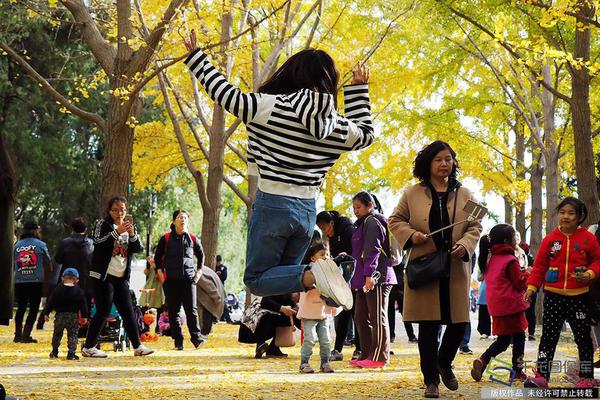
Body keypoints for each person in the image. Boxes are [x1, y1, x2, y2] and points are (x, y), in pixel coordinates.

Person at [183, 30, 374, 310]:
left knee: (258, 279)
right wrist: (357, 90)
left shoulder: (270, 106)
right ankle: (318, 274)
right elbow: (367, 134)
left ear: (293, 74)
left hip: (272, 203)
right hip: (308, 210)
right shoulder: (339, 127)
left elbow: (226, 95)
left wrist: (196, 58)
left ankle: (315, 274)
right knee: (284, 275)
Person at [388, 140, 483, 398]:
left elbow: (476, 225)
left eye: (448, 159)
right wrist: (410, 235)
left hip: (454, 267)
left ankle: (444, 362)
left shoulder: (465, 194)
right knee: (428, 326)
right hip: (425, 267)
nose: (444, 164)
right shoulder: (412, 193)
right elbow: (394, 220)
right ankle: (431, 380)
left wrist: (465, 244)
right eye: (439, 159)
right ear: (428, 163)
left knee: (458, 321)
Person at [524, 197, 600, 389]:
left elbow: (598, 261)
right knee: (548, 338)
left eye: (571, 213)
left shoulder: (588, 238)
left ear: (580, 216)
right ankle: (541, 376)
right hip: (553, 296)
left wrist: (590, 273)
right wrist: (531, 288)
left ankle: (586, 377)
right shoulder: (550, 240)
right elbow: (539, 267)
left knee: (583, 339)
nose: (566, 217)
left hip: (580, 297)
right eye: (562, 212)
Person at [82, 196, 153, 358]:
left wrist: (132, 233)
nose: (119, 213)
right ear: (109, 211)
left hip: (120, 277)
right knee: (103, 309)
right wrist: (117, 232)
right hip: (103, 275)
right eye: (115, 210)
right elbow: (98, 243)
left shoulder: (129, 226)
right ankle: (89, 347)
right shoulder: (103, 224)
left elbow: (138, 248)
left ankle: (138, 346)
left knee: (128, 310)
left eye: (122, 209)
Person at [470, 224, 529, 382]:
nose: (516, 241)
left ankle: (483, 361)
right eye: (513, 238)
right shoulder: (510, 260)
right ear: (506, 240)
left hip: (497, 307)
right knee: (519, 338)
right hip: (512, 306)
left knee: (503, 341)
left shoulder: (491, 259)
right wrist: (528, 275)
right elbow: (518, 283)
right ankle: (517, 370)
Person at [351, 192, 397, 369]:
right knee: (360, 315)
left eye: (359, 207)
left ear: (370, 204)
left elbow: (373, 250)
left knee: (377, 316)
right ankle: (367, 353)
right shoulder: (363, 223)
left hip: (377, 276)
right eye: (354, 208)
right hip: (364, 278)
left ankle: (379, 357)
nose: (356, 211)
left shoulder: (373, 221)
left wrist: (369, 275)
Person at [154, 210, 205, 350]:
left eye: (185, 218)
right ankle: (178, 340)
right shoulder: (166, 238)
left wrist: (199, 272)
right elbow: (157, 258)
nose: (182, 220)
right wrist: (161, 275)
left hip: (189, 280)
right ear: (174, 221)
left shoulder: (193, 238)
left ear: (188, 221)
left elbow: (201, 255)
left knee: (191, 310)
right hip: (171, 280)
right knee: (173, 312)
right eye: (179, 217)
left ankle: (197, 338)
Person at [316, 210, 360, 360]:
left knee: (355, 313)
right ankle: (338, 349)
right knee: (345, 312)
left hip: (354, 276)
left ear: (332, 223)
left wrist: (345, 257)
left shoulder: (348, 230)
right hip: (342, 279)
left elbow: (356, 253)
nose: (324, 231)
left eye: (324, 227)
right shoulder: (332, 236)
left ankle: (359, 349)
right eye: (320, 228)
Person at [298, 241, 338, 373]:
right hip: (309, 311)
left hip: (323, 312)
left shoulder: (330, 271)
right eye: (322, 254)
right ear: (312, 258)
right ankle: (304, 363)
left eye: (327, 254)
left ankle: (325, 362)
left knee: (326, 339)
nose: (326, 257)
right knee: (310, 338)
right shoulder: (307, 271)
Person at [13, 221, 51, 343]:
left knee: (21, 307)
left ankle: (17, 335)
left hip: (19, 281)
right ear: (35, 230)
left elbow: (13, 263)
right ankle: (26, 335)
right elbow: (48, 263)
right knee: (34, 308)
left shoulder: (16, 245)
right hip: (36, 281)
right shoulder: (41, 245)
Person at [44, 268, 88, 360]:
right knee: (73, 335)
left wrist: (46, 313)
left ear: (62, 278)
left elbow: (51, 302)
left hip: (60, 316)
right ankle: (71, 353)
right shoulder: (79, 291)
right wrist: (84, 316)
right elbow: (83, 305)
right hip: (73, 316)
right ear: (76, 280)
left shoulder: (57, 290)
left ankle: (54, 351)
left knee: (57, 334)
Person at [239, 293, 301, 359]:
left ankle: (273, 349)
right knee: (267, 316)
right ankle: (260, 344)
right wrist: (282, 308)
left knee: (288, 317)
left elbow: (296, 320)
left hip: (263, 327)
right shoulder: (280, 290)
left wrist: (308, 331)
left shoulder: (291, 302)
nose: (299, 300)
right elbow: (264, 302)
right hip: (250, 328)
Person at [54, 218, 94, 306]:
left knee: (67, 307)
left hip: (68, 279)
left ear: (72, 229)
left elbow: (58, 259)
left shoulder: (65, 243)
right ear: (86, 229)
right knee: (85, 309)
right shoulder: (91, 244)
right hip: (86, 282)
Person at [476, 236, 492, 339]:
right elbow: (480, 277)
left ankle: (493, 331)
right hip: (485, 287)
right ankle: (484, 331)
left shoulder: (496, 256)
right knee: (484, 310)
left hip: (493, 286)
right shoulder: (481, 258)